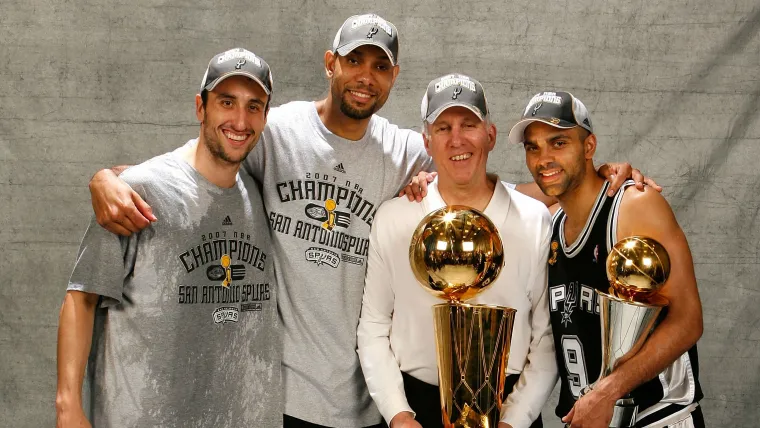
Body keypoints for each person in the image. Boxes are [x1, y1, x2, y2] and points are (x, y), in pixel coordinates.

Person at [86, 15, 648, 428]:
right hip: (289, 393)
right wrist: (108, 180)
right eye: (354, 60)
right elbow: (194, 165)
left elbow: (480, 186)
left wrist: (590, 180)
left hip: (375, 401)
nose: (366, 76)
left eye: (380, 66)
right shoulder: (273, 131)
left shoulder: (408, 151)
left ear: (394, 77)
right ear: (331, 63)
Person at [55, 48, 281, 428]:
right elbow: (82, 296)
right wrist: (67, 406)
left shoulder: (262, 192)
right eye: (227, 102)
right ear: (201, 107)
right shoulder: (138, 192)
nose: (240, 120)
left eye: (253, 106)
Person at [358, 74, 557, 428]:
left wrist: (516, 419)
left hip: (510, 407)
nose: (457, 139)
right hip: (416, 407)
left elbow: (546, 338)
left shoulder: (534, 220)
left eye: (469, 124)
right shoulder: (395, 219)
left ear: (491, 135)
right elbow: (373, 325)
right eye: (443, 128)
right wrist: (398, 414)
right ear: (427, 142)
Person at [509, 91, 704, 427]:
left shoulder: (633, 206)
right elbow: (489, 192)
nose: (543, 158)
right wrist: (426, 181)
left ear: (588, 147)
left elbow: (688, 321)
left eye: (558, 143)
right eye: (533, 147)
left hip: (656, 416)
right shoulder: (549, 225)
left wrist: (608, 392)